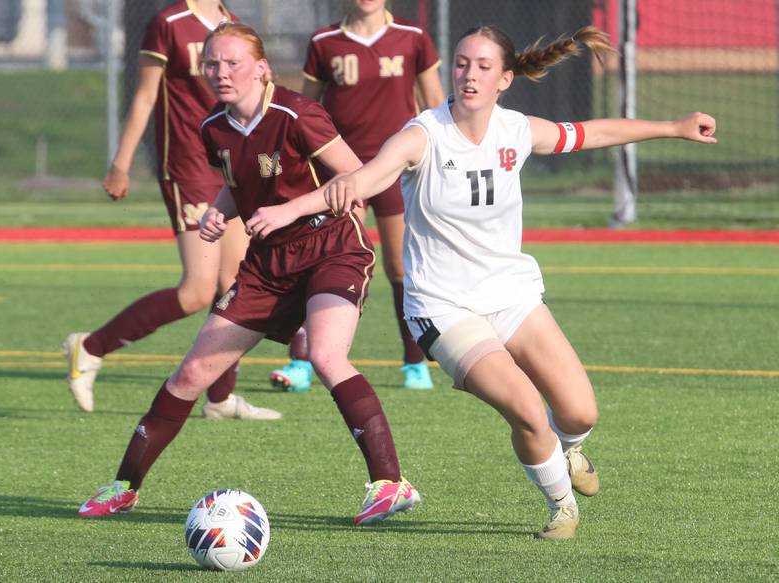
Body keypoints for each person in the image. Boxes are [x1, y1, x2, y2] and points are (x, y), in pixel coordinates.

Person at [247, 25, 717, 539]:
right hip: (443, 307)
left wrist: (673, 126)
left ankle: (569, 447)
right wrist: (290, 208)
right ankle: (561, 506)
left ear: (505, 79)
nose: (469, 75)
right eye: (462, 64)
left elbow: (592, 133)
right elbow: (361, 179)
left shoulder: (516, 130)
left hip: (510, 294)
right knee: (527, 411)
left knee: (579, 412)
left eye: (483, 67)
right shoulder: (423, 135)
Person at [78, 22, 421, 527]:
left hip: (331, 248)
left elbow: (357, 181)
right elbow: (242, 184)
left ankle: (390, 483)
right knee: (192, 372)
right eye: (212, 64)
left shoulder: (298, 113)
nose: (220, 72)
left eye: (233, 62)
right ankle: (124, 486)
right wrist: (222, 210)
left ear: (261, 68)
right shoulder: (213, 126)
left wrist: (289, 211)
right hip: (266, 267)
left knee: (326, 355)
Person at [62, 0, 280, 421]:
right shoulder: (169, 23)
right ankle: (89, 348)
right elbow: (145, 97)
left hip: (230, 165)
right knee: (198, 289)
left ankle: (220, 399)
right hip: (187, 167)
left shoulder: (233, 25)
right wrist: (121, 163)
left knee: (236, 285)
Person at [268, 0, 445, 393]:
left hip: (397, 170)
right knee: (323, 260)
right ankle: (302, 361)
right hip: (343, 173)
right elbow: (303, 109)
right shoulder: (325, 41)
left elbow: (436, 108)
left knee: (400, 268)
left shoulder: (413, 38)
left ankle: (415, 363)